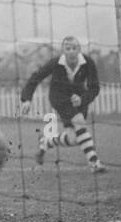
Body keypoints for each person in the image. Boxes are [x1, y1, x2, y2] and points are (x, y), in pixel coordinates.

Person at [20, 35, 106, 172]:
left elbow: (94, 88)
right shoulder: (55, 63)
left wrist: (82, 99)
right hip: (59, 97)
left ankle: (46, 141)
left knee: (73, 139)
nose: (71, 51)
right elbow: (36, 77)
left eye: (74, 48)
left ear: (79, 50)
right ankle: (94, 163)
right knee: (79, 122)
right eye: (68, 48)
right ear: (63, 51)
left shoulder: (88, 63)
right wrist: (26, 99)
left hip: (78, 99)